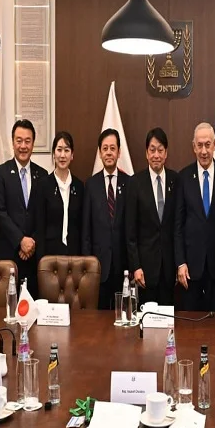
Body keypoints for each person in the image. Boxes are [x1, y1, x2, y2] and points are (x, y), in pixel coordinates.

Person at [174, 123, 215, 311]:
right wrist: (180, 262)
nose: (203, 151)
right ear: (193, 146)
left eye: (207, 145)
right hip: (191, 267)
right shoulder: (183, 177)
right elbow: (178, 225)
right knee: (191, 321)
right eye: (199, 145)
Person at [0, 120, 47, 295]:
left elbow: (43, 215)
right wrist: (20, 241)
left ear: (33, 143)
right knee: (7, 305)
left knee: (34, 306)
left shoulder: (42, 175)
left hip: (34, 256)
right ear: (12, 142)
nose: (23, 146)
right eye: (19, 140)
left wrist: (31, 242)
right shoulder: (1, 173)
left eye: (27, 141)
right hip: (8, 254)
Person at [125, 128, 179, 306]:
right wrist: (136, 266)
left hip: (169, 269)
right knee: (147, 317)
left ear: (166, 153)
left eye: (160, 150)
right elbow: (130, 232)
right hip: (145, 270)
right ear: (146, 153)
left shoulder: (176, 180)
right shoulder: (135, 183)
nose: (156, 155)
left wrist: (179, 264)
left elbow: (178, 226)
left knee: (168, 316)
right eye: (152, 150)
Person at [82, 128, 130, 309]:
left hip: (123, 266)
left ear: (119, 152)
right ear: (100, 152)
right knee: (99, 317)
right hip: (98, 266)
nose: (109, 152)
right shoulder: (91, 185)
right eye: (105, 148)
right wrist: (87, 263)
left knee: (124, 314)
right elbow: (86, 230)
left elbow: (132, 228)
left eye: (112, 148)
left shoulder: (129, 183)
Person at [32, 131, 84, 258]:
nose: (62, 155)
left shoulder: (79, 186)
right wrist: (41, 259)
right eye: (59, 150)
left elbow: (82, 225)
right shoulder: (43, 185)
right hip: (50, 254)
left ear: (72, 155)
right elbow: (40, 226)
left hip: (74, 253)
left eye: (67, 150)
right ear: (53, 154)